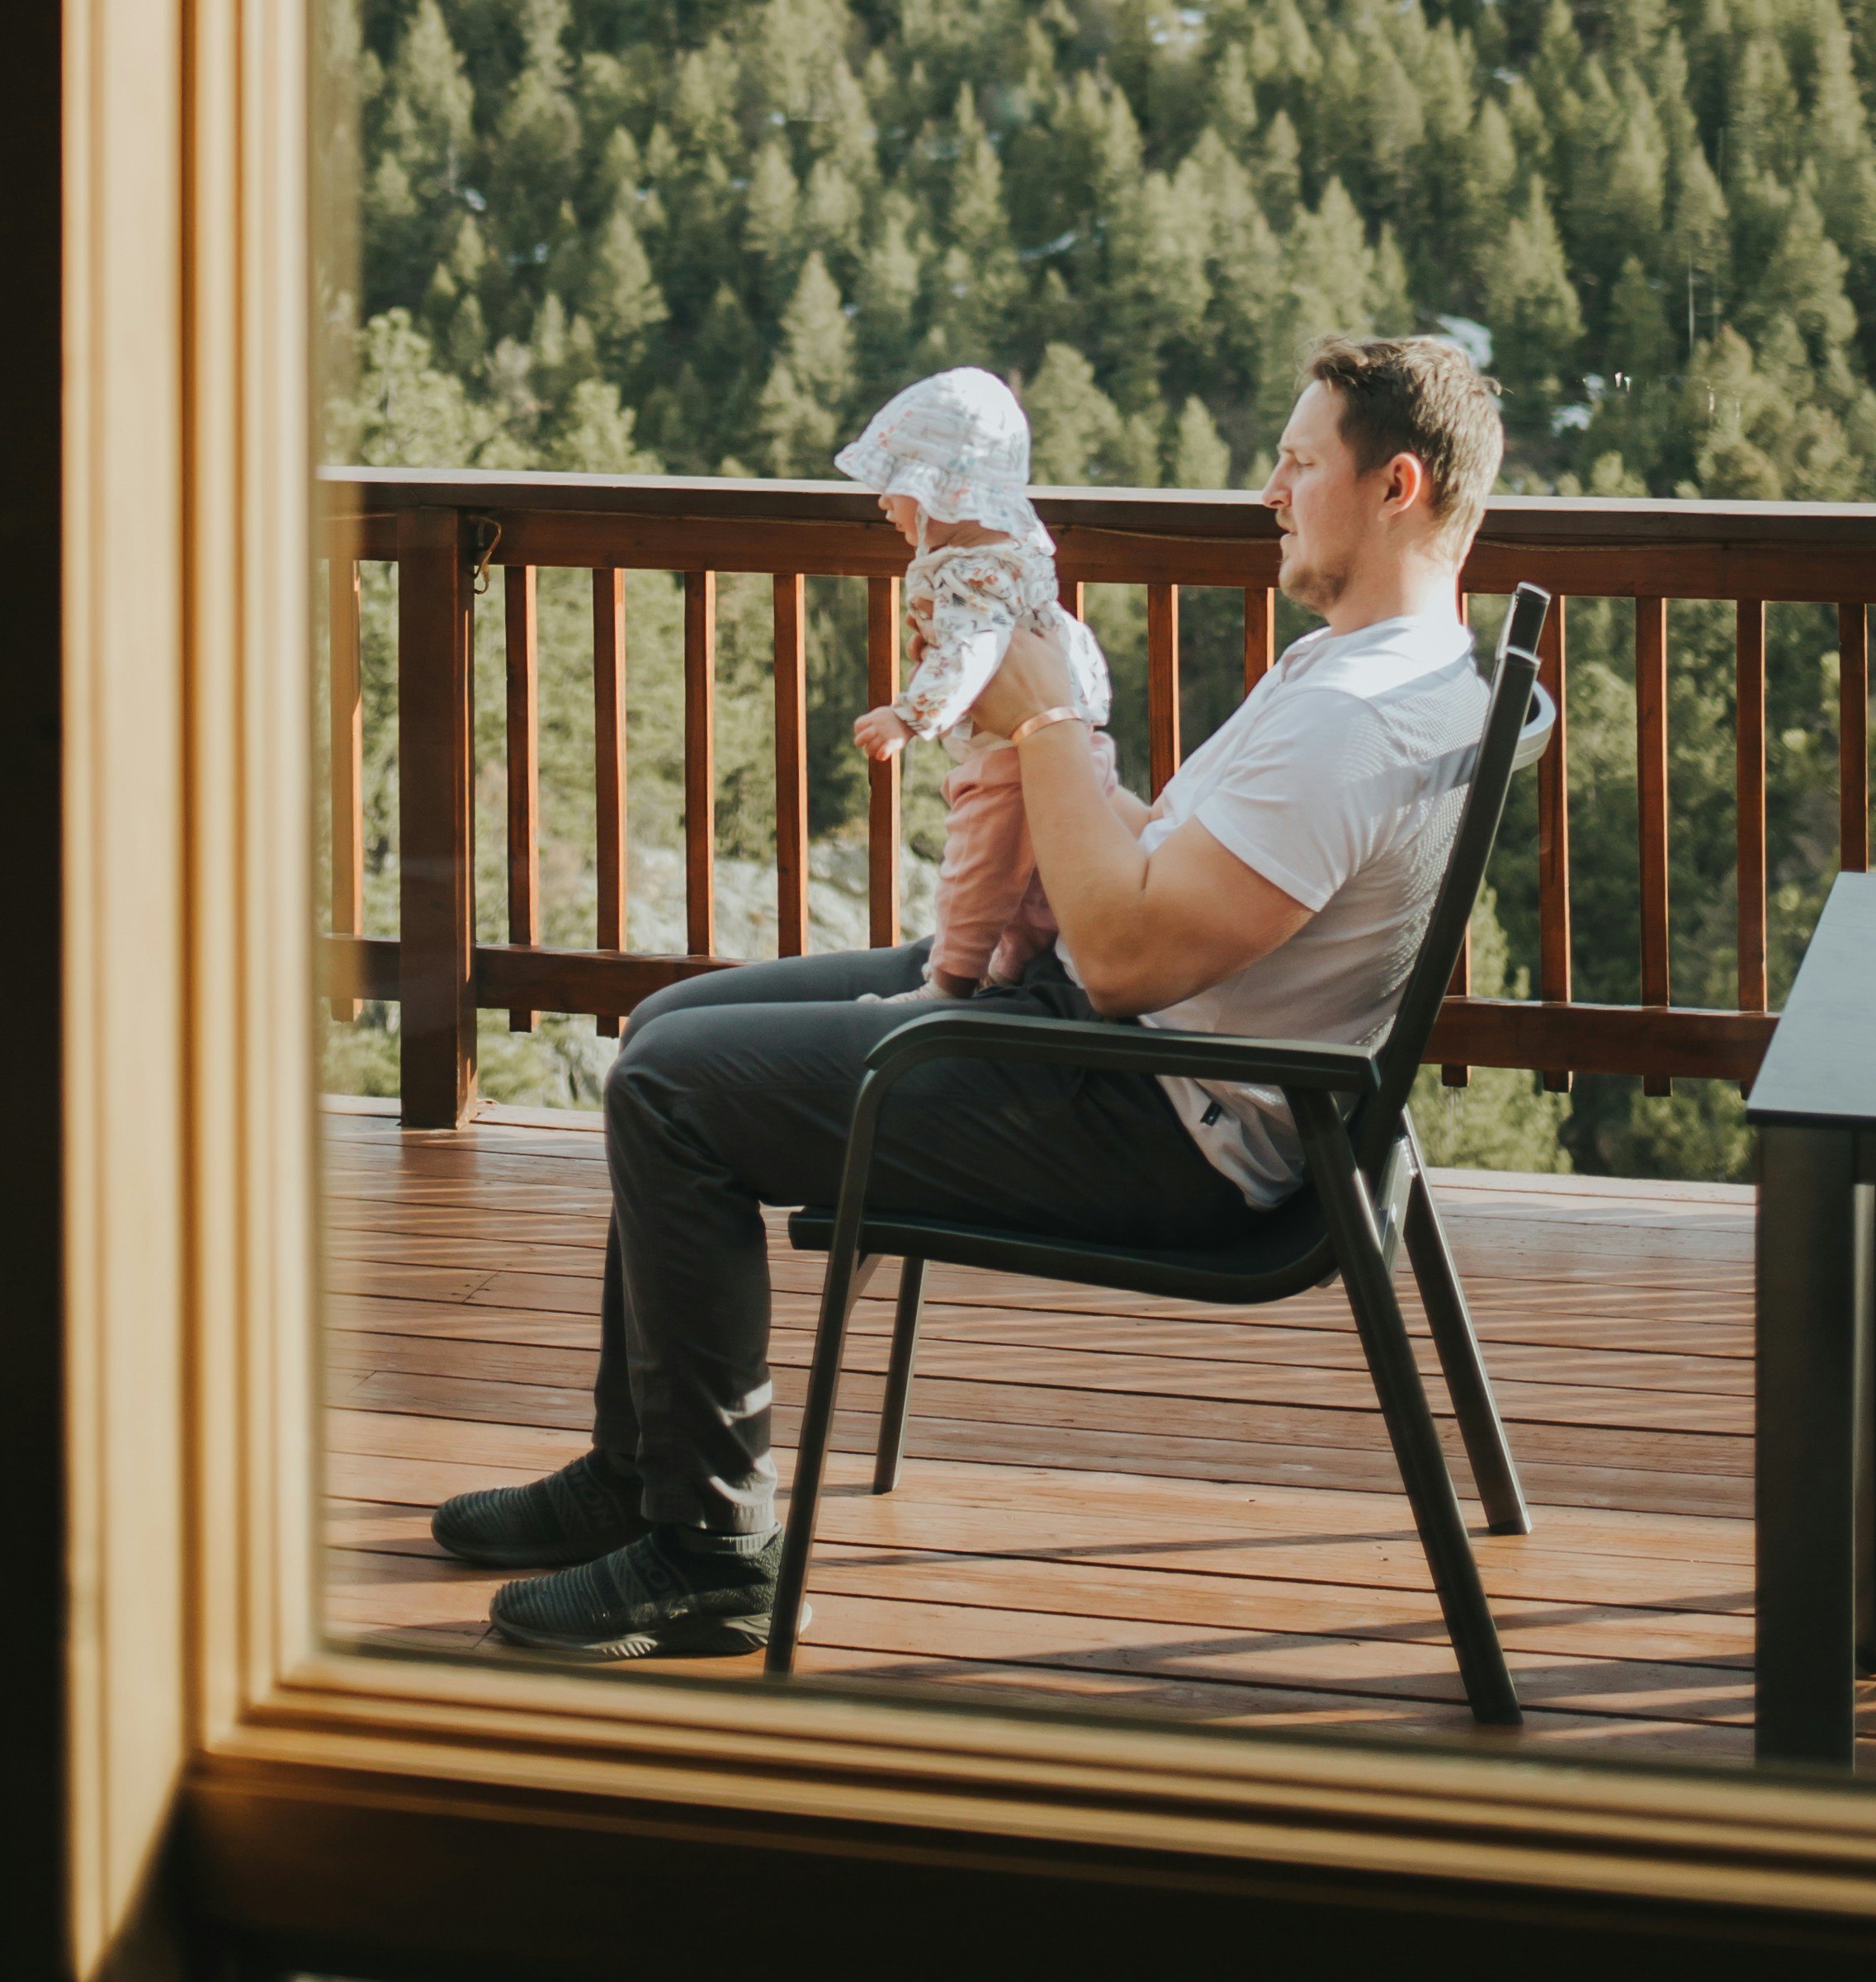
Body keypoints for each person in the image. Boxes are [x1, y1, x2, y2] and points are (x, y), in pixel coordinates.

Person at [428, 326, 1541, 1663]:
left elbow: (1128, 953)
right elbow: (1161, 873)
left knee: (669, 1091)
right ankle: (642, 1468)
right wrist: (1053, 772)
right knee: (670, 1022)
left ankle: (709, 1548)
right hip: (1125, 1035)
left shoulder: (1354, 715)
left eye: (1297, 462)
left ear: (1396, 486)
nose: (1269, 489)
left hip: (1147, 1103)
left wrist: (1044, 721)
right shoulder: (1407, 672)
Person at [834, 366, 1118, 995]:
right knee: (1026, 879)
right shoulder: (1014, 553)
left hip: (1013, 755)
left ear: (941, 494)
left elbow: (976, 649)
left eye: (895, 484)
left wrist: (909, 715)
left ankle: (950, 984)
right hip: (1068, 742)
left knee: (977, 866)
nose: (882, 500)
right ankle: (1009, 968)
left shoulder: (968, 570)